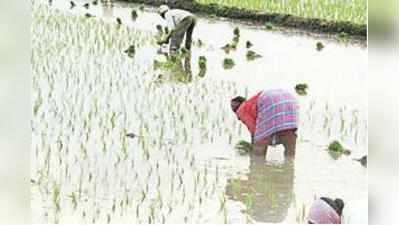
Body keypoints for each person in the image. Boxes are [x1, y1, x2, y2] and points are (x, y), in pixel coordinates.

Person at [231, 89, 299, 160]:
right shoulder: (252, 103)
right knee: (289, 139)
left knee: (259, 148)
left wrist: (253, 148)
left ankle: (258, 168)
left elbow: (254, 131)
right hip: (290, 100)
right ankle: (289, 166)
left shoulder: (242, 109)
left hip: (269, 100)